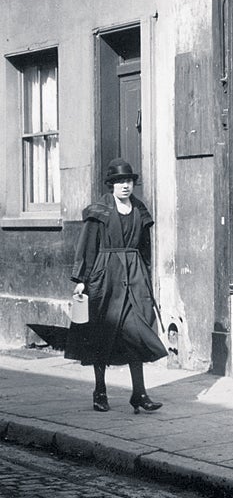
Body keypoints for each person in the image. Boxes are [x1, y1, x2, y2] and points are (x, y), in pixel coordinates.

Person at [65, 158, 168, 413]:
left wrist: (146, 277)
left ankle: (139, 394)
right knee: (101, 333)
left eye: (129, 181)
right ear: (111, 185)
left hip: (134, 278)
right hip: (104, 278)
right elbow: (87, 247)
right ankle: (99, 391)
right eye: (120, 181)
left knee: (137, 333)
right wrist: (80, 280)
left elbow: (145, 249)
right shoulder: (99, 211)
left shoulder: (139, 210)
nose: (125, 186)